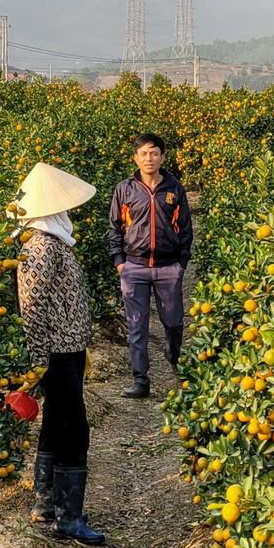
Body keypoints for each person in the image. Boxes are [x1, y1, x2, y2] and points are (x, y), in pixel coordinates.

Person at [12, 161, 106, 545]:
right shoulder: (41, 247)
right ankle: (69, 517)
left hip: (63, 349)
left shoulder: (48, 243)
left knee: (55, 421)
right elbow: (31, 307)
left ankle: (46, 503)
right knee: (73, 428)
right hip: (56, 351)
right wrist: (37, 361)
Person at [108, 132, 193, 399]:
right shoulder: (125, 189)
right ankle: (140, 380)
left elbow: (186, 228)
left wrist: (181, 262)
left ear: (162, 157)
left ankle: (173, 354)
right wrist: (120, 262)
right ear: (136, 158)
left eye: (154, 153)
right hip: (134, 267)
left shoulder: (174, 188)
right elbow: (115, 228)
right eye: (144, 154)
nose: (149, 158)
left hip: (168, 268)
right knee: (137, 325)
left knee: (174, 322)